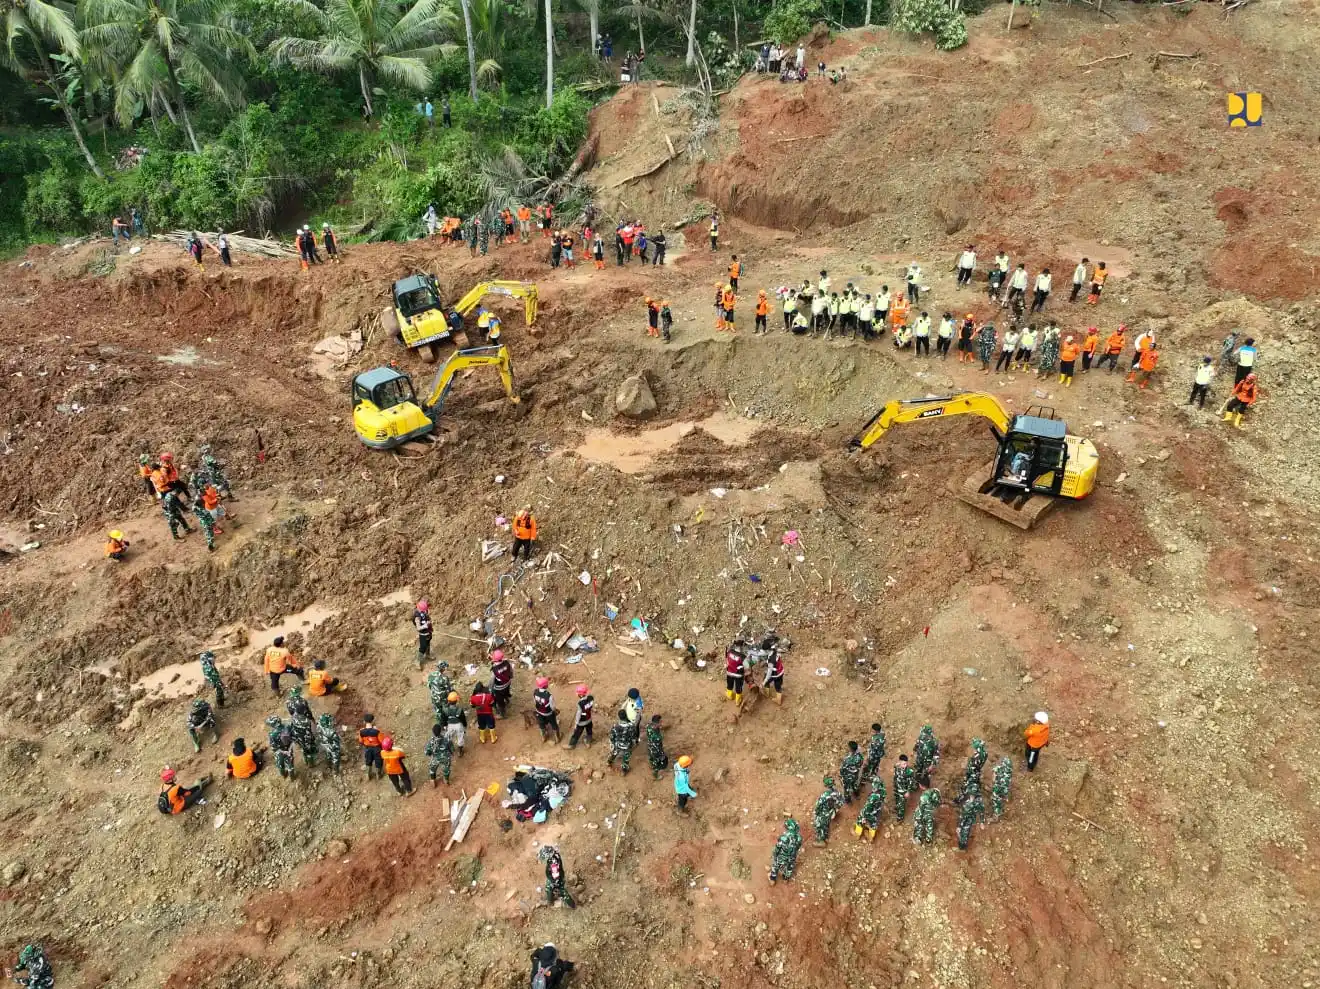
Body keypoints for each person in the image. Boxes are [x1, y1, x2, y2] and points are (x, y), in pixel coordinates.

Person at [768, 818, 802, 885]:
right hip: (792, 857)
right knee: (789, 867)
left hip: (782, 856)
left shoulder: (784, 837)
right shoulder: (799, 838)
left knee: (776, 865)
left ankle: (772, 879)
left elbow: (778, 847)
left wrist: (774, 854)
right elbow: (798, 847)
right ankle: (785, 879)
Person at [811, 776, 842, 844]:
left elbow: (818, 806)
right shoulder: (837, 793)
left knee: (819, 826)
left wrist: (816, 813)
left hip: (823, 813)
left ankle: (821, 840)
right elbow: (841, 802)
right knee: (826, 825)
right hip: (831, 812)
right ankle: (826, 836)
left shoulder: (824, 796)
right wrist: (835, 810)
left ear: (826, 785)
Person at [853, 776, 886, 840]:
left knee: (861, 818)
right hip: (877, 809)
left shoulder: (873, 797)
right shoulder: (883, 790)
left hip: (870, 811)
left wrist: (864, 817)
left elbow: (867, 809)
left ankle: (857, 833)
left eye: (874, 786)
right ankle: (871, 836)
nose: (873, 787)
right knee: (874, 823)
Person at [533, 677, 561, 742]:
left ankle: (544, 737)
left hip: (539, 712)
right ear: (545, 686)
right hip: (548, 713)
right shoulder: (549, 696)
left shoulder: (535, 692)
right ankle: (557, 738)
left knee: (541, 724)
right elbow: (552, 707)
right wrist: (555, 711)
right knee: (554, 724)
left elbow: (535, 702)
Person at [440, 691, 467, 755]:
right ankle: (460, 751)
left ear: (448, 701)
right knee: (460, 736)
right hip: (458, 725)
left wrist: (444, 725)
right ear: (456, 701)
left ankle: (450, 748)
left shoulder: (445, 710)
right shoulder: (459, 710)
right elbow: (463, 719)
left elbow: (443, 718)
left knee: (449, 736)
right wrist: (465, 725)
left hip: (450, 725)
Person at [607, 708, 633, 774]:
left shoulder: (615, 726)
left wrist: (612, 743)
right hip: (627, 745)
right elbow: (632, 736)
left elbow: (612, 736)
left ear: (619, 717)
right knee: (626, 758)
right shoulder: (631, 726)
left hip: (617, 744)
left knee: (614, 753)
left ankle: (609, 762)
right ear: (626, 716)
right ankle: (624, 771)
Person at [359, 713, 385, 779]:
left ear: (364, 721)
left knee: (368, 761)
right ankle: (378, 775)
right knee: (378, 761)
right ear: (372, 721)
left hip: (368, 748)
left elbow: (361, 741)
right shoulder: (377, 731)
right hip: (377, 749)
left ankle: (368, 775)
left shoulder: (361, 731)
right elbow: (382, 741)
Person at [490, 648, 513, 717]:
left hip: (499, 687)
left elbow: (492, 680)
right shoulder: (507, 662)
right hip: (508, 683)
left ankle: (503, 714)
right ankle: (508, 701)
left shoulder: (494, 669)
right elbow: (511, 672)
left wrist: (490, 689)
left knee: (500, 700)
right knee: (506, 692)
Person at [644, 713, 669, 778]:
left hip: (649, 746)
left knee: (651, 758)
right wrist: (662, 754)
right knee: (659, 762)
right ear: (657, 723)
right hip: (656, 750)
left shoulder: (649, 726)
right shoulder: (657, 736)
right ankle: (655, 775)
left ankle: (652, 764)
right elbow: (658, 743)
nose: (661, 723)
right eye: (660, 721)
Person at [892, 753, 916, 821]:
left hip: (904, 790)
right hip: (897, 787)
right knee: (897, 799)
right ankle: (897, 808)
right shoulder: (897, 767)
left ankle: (900, 818)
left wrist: (908, 792)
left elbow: (911, 782)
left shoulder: (909, 772)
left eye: (905, 764)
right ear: (899, 762)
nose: (904, 766)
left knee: (902, 804)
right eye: (903, 764)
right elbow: (895, 772)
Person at [411, 598, 433, 670]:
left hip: (428, 631)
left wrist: (429, 622)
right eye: (424, 610)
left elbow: (426, 616)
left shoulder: (423, 611)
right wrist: (425, 625)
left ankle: (427, 655)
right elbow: (418, 628)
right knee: (423, 647)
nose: (425, 611)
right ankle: (417, 661)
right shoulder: (417, 617)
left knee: (428, 643)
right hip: (423, 634)